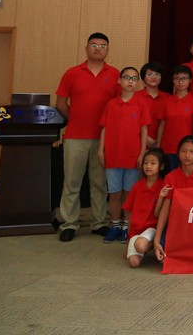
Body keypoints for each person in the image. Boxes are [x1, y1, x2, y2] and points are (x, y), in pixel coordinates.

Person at [55, 33, 121, 242]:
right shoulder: (72, 73)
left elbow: (120, 106)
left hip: (103, 139)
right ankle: (69, 223)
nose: (98, 48)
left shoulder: (115, 74)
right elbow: (61, 104)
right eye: (94, 45)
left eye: (102, 46)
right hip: (75, 137)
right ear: (86, 48)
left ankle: (99, 222)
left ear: (107, 50)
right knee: (72, 182)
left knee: (99, 183)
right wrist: (76, 119)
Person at [98, 66, 151, 243]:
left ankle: (127, 227)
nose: (130, 81)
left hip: (133, 156)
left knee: (129, 194)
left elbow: (144, 131)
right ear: (119, 80)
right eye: (127, 77)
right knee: (114, 193)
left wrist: (142, 154)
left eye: (134, 79)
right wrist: (100, 150)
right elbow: (104, 128)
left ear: (138, 83)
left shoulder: (141, 103)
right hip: (113, 156)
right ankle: (115, 225)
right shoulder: (111, 104)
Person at [154, 135, 193, 261]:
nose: (187, 155)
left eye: (192, 152)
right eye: (183, 151)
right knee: (165, 259)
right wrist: (156, 240)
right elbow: (165, 209)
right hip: (177, 223)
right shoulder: (170, 177)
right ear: (178, 153)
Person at [124, 148, 167, 268]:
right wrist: (128, 239)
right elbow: (129, 212)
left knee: (140, 246)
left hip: (152, 228)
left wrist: (161, 197)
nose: (148, 166)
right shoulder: (137, 186)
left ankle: (153, 245)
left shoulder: (163, 185)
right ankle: (143, 246)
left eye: (153, 163)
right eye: (145, 163)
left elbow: (158, 214)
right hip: (136, 230)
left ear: (161, 166)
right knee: (134, 263)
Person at [158, 65, 193, 168]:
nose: (180, 82)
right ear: (173, 81)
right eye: (177, 78)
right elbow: (162, 125)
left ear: (190, 80)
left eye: (184, 78)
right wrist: (158, 146)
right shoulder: (166, 101)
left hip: (187, 150)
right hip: (168, 148)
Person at [135, 61, 169, 148]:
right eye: (149, 74)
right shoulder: (135, 96)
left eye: (157, 74)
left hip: (162, 144)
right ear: (143, 77)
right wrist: (146, 138)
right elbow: (131, 121)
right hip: (138, 142)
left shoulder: (168, 98)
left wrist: (158, 140)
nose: (153, 77)